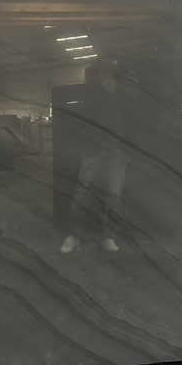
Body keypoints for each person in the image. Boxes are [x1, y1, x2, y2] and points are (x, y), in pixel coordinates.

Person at [59, 60, 129, 254]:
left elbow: (129, 118)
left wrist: (115, 94)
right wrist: (105, 93)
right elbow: (86, 115)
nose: (108, 76)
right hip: (93, 149)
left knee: (113, 196)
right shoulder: (91, 89)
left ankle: (108, 236)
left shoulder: (124, 88)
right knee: (82, 195)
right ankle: (73, 236)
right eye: (104, 73)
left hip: (116, 150)